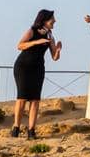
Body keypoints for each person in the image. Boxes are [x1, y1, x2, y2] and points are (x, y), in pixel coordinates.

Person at [12, 9, 62, 138]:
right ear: (45, 20)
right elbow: (20, 45)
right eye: (52, 19)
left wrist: (58, 50)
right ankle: (16, 128)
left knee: (35, 99)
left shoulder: (50, 35)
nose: (55, 21)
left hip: (38, 68)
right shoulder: (32, 31)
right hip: (23, 67)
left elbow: (54, 57)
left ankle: (31, 131)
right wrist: (36, 42)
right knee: (22, 98)